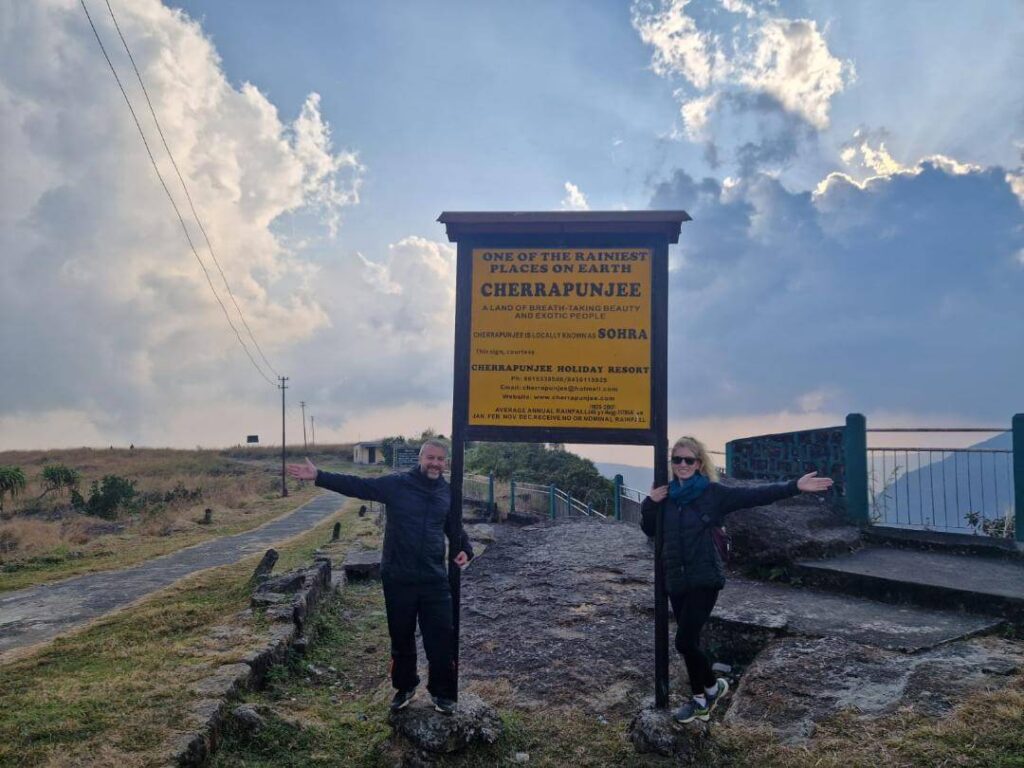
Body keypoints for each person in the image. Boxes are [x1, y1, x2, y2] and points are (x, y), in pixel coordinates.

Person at [640, 436, 833, 724]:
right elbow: (649, 530)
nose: (682, 464)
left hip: (704, 578)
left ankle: (705, 694)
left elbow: (754, 496)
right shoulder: (665, 497)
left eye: (688, 459)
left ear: (699, 463)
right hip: (676, 580)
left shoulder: (714, 494)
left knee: (683, 642)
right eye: (677, 459)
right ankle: (707, 693)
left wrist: (794, 486)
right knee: (691, 642)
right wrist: (650, 503)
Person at [287, 439, 472, 715]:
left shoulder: (446, 492)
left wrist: (465, 549)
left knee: (441, 637)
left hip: (434, 578)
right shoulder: (397, 485)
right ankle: (405, 687)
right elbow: (360, 485)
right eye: (430, 458)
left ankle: (442, 693)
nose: (435, 463)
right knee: (401, 636)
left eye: (440, 459)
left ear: (445, 463)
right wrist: (320, 476)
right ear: (420, 459)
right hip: (398, 576)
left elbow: (453, 526)